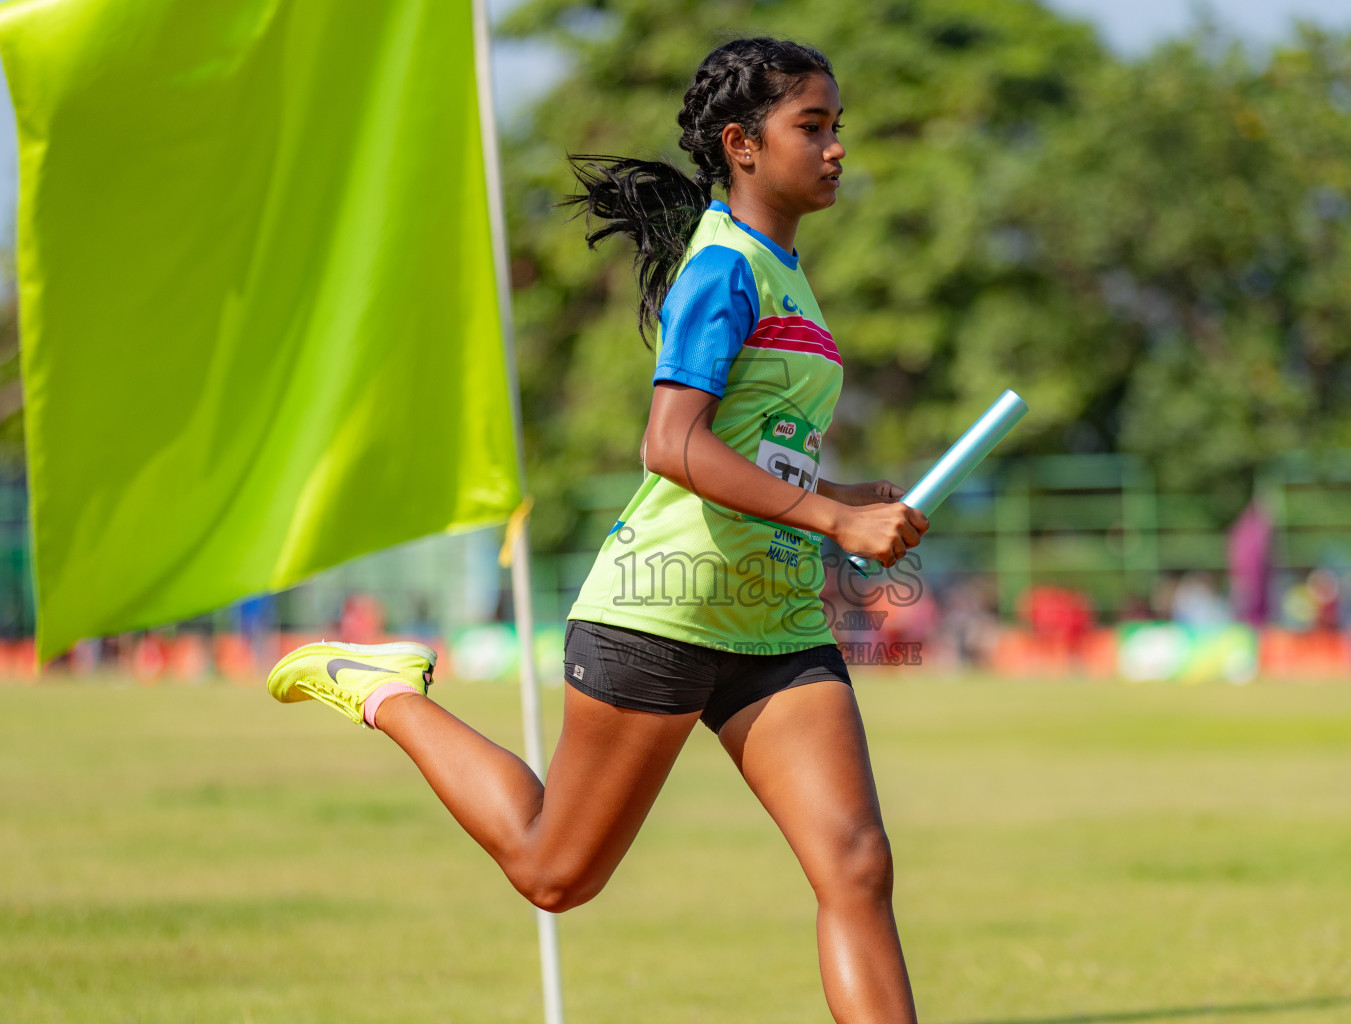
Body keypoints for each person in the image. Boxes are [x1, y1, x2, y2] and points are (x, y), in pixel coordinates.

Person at [265, 37, 928, 1024]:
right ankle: (384, 691)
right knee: (554, 872)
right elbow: (672, 443)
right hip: (661, 611)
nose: (837, 149)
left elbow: (758, 452)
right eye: (814, 127)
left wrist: (857, 507)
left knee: (857, 866)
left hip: (778, 625)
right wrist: (838, 515)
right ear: (743, 144)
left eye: (839, 127)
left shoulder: (788, 274)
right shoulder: (726, 268)